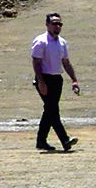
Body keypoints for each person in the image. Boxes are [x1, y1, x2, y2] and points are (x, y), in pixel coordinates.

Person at [29, 11, 80, 154]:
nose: (57, 26)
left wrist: (74, 80)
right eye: (54, 23)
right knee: (53, 110)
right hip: (44, 78)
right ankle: (65, 140)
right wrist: (41, 82)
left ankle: (41, 141)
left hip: (57, 79)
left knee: (49, 111)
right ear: (47, 25)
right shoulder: (41, 41)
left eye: (59, 24)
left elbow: (66, 62)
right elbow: (36, 62)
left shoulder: (62, 42)